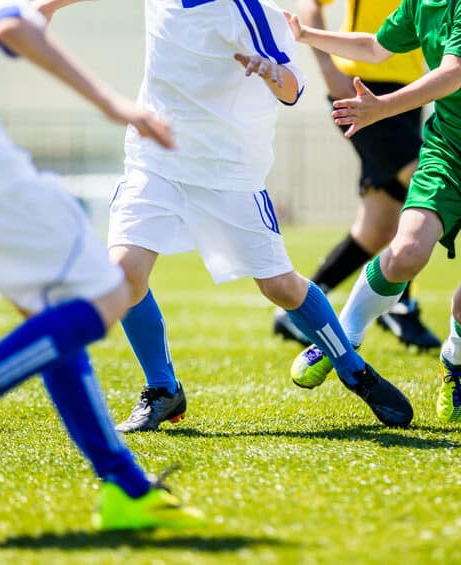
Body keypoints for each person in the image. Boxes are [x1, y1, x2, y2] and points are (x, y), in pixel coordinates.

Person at [0, 0, 205, 529]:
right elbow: (12, 23)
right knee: (109, 293)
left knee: (44, 312)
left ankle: (125, 488)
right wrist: (115, 104)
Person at [108, 0, 413, 433]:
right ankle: (162, 390)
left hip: (228, 169)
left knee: (280, 286)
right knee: (123, 274)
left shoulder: (249, 11)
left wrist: (272, 75)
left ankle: (353, 368)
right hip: (155, 157)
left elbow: (293, 88)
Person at [285, 2, 461, 422]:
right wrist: (310, 36)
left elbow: (454, 72)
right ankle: (343, 336)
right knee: (406, 252)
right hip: (449, 154)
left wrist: (383, 106)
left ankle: (454, 361)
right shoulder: (420, 4)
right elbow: (374, 46)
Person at [273, 0, 440, 352]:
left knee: (379, 223)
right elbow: (310, 5)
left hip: (408, 90)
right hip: (362, 89)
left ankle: (297, 310)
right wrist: (329, 70)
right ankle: (399, 305)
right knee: (423, 178)